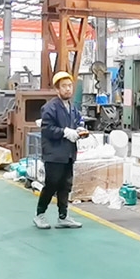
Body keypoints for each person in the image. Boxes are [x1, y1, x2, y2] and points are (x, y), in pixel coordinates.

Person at [33, 71, 85, 230]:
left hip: (68, 154)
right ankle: (40, 215)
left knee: (65, 186)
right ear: (57, 89)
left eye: (70, 86)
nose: (68, 89)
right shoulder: (50, 108)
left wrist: (80, 130)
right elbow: (47, 129)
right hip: (54, 155)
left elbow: (78, 121)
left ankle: (63, 216)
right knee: (51, 184)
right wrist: (65, 132)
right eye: (64, 86)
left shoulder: (72, 108)